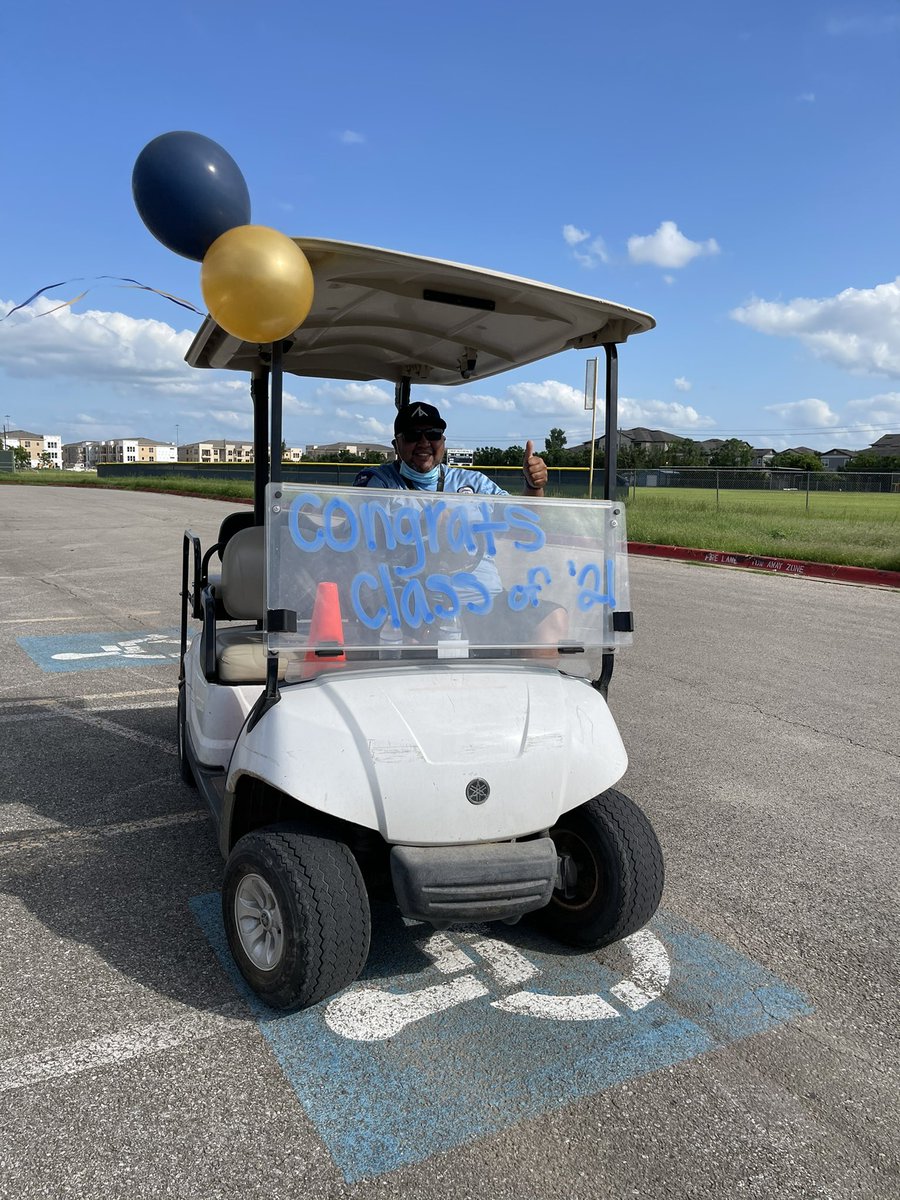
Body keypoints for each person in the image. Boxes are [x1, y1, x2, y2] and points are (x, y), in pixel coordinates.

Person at [354, 402, 566, 650]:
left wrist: (533, 487)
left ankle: (528, 688)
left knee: (552, 620)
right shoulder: (379, 481)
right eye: (413, 436)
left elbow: (524, 525)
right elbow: (369, 529)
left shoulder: (474, 482)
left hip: (482, 600)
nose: (424, 443)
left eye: (432, 435)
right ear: (396, 445)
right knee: (405, 642)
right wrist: (427, 524)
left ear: (443, 441)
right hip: (414, 603)